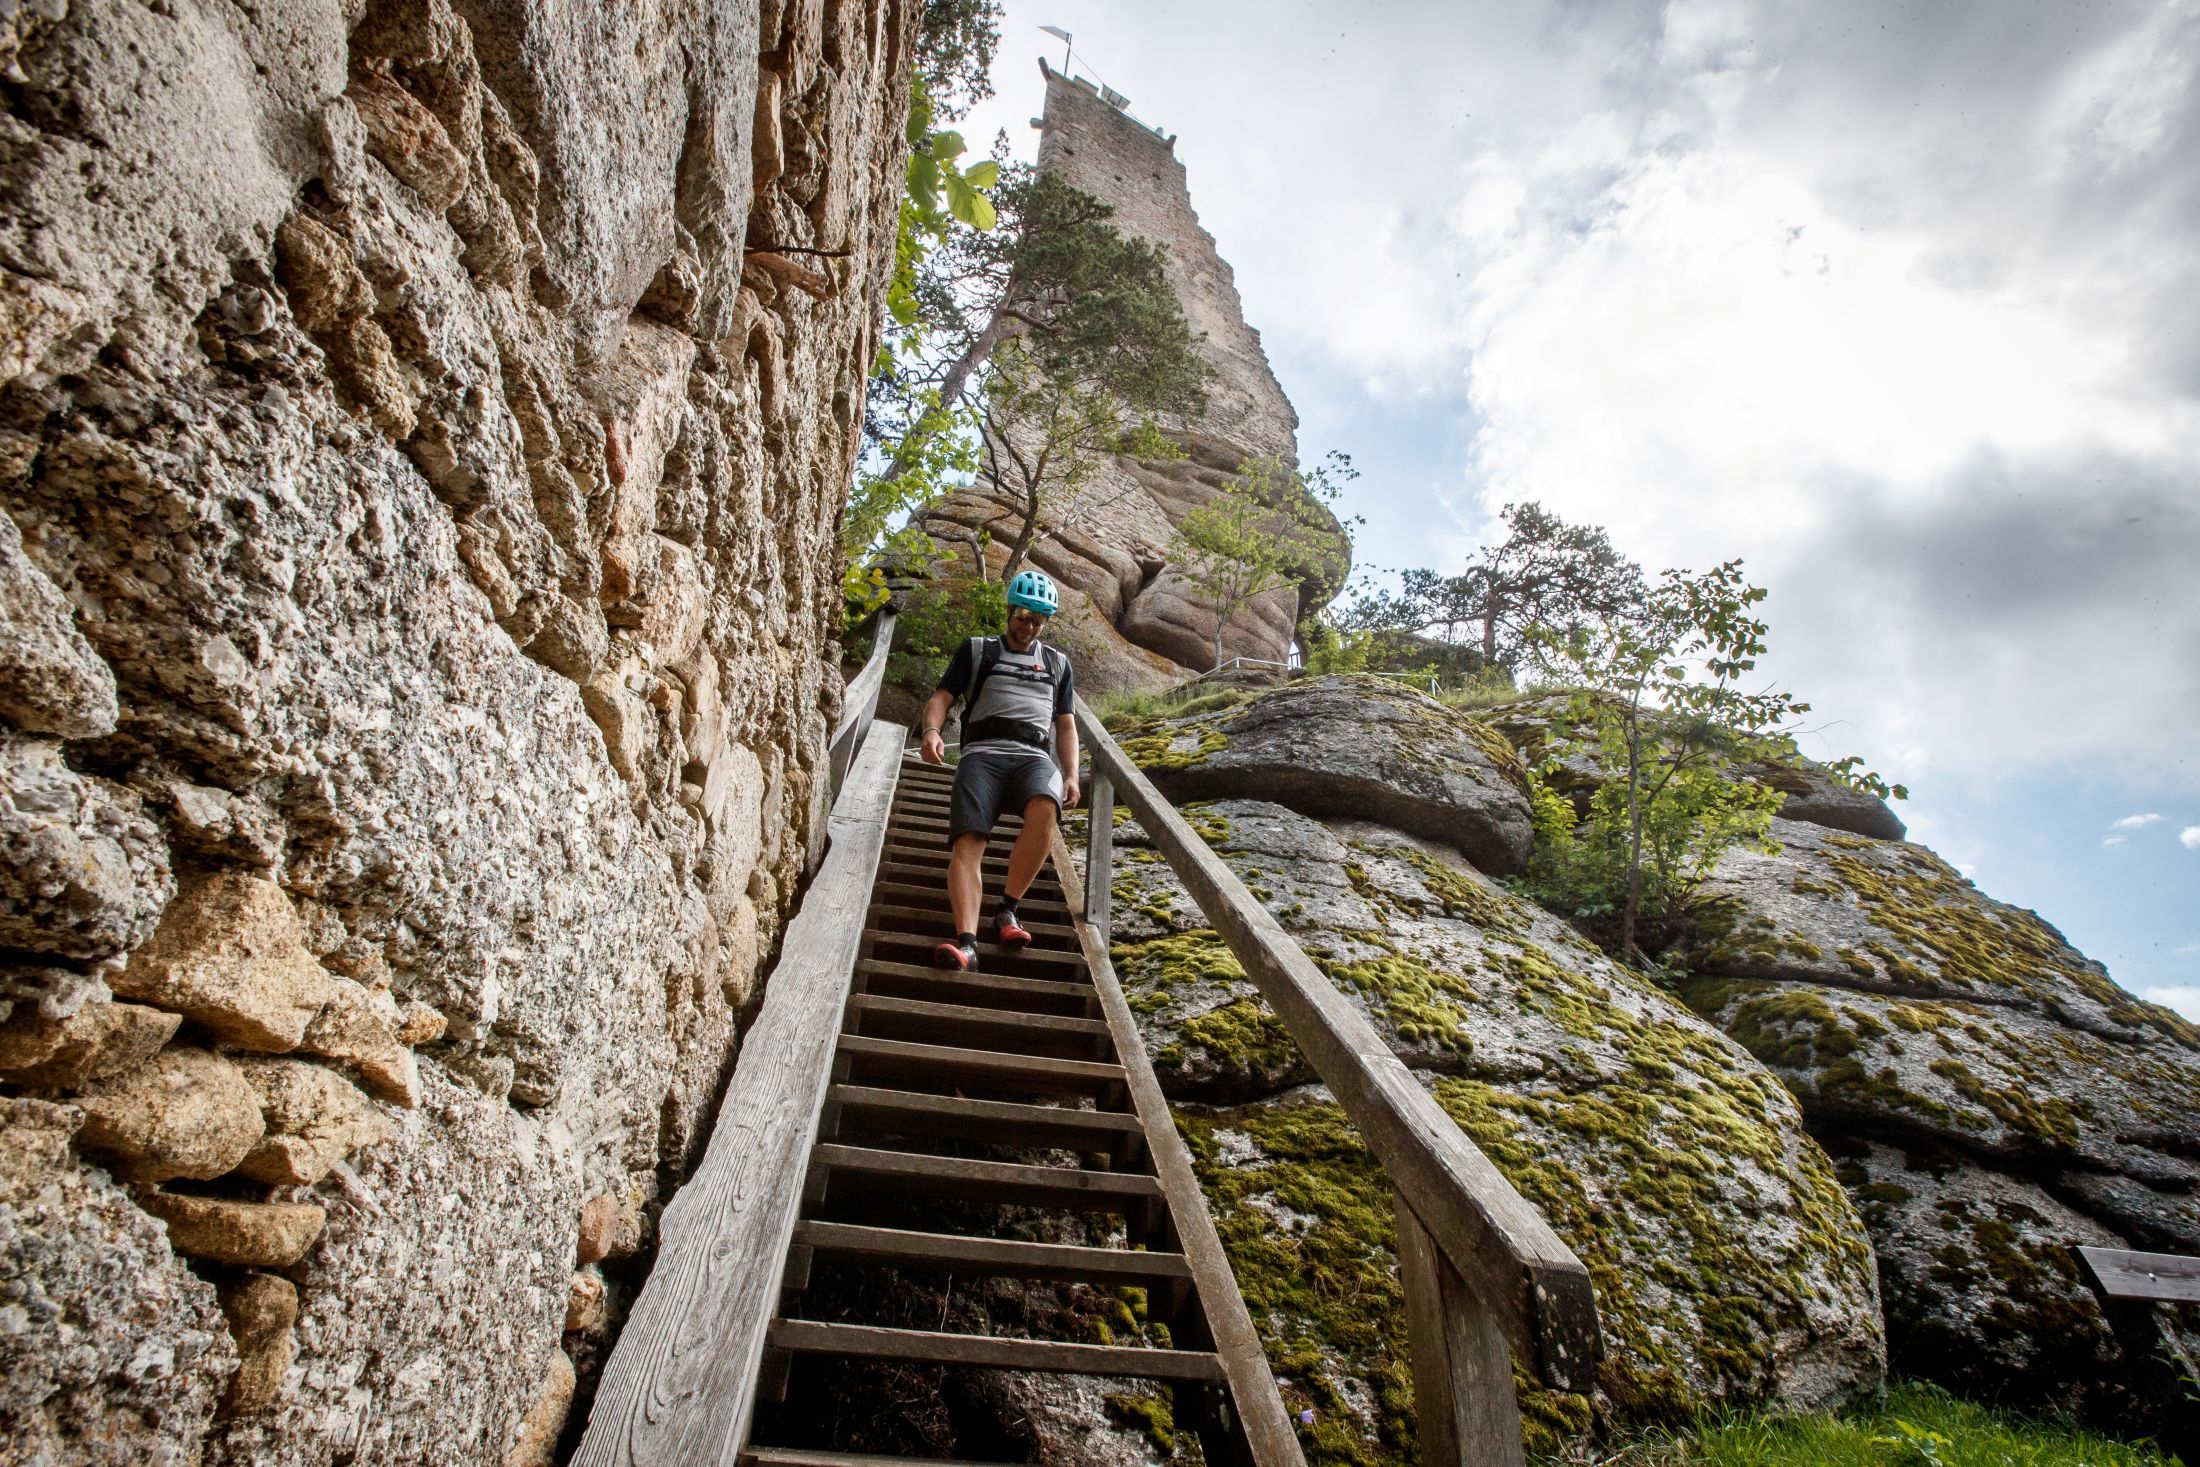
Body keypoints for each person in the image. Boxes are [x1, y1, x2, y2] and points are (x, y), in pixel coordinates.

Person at [917, 568, 1081, 971]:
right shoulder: (978, 650)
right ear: (1009, 610)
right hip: (982, 756)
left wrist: (1072, 773)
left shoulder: (1058, 664)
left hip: (1033, 757)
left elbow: (1066, 724)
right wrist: (932, 732)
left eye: (1038, 621)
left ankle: (1007, 910)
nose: (1029, 627)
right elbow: (942, 696)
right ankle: (968, 944)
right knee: (969, 840)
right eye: (1023, 616)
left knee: (1047, 804)